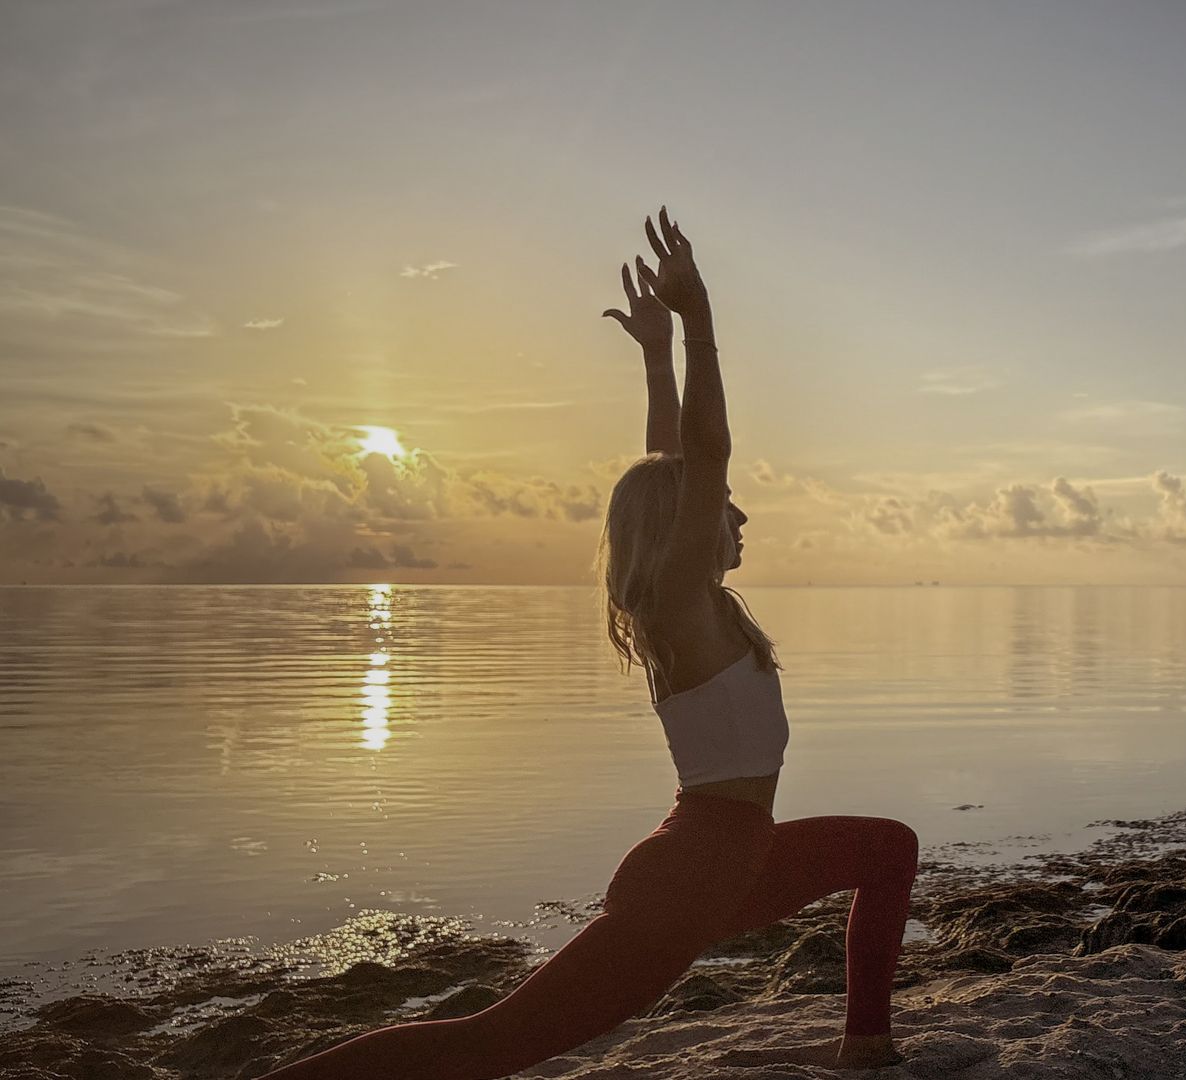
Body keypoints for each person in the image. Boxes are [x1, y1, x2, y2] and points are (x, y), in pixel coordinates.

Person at [262, 206, 919, 1078]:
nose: (740, 513)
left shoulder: (693, 603)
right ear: (683, 530)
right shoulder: (680, 608)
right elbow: (703, 456)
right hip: (690, 878)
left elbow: (673, 463)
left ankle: (865, 1047)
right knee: (493, 1045)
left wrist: (654, 358)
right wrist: (698, 320)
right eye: (724, 508)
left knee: (887, 847)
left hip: (733, 856)